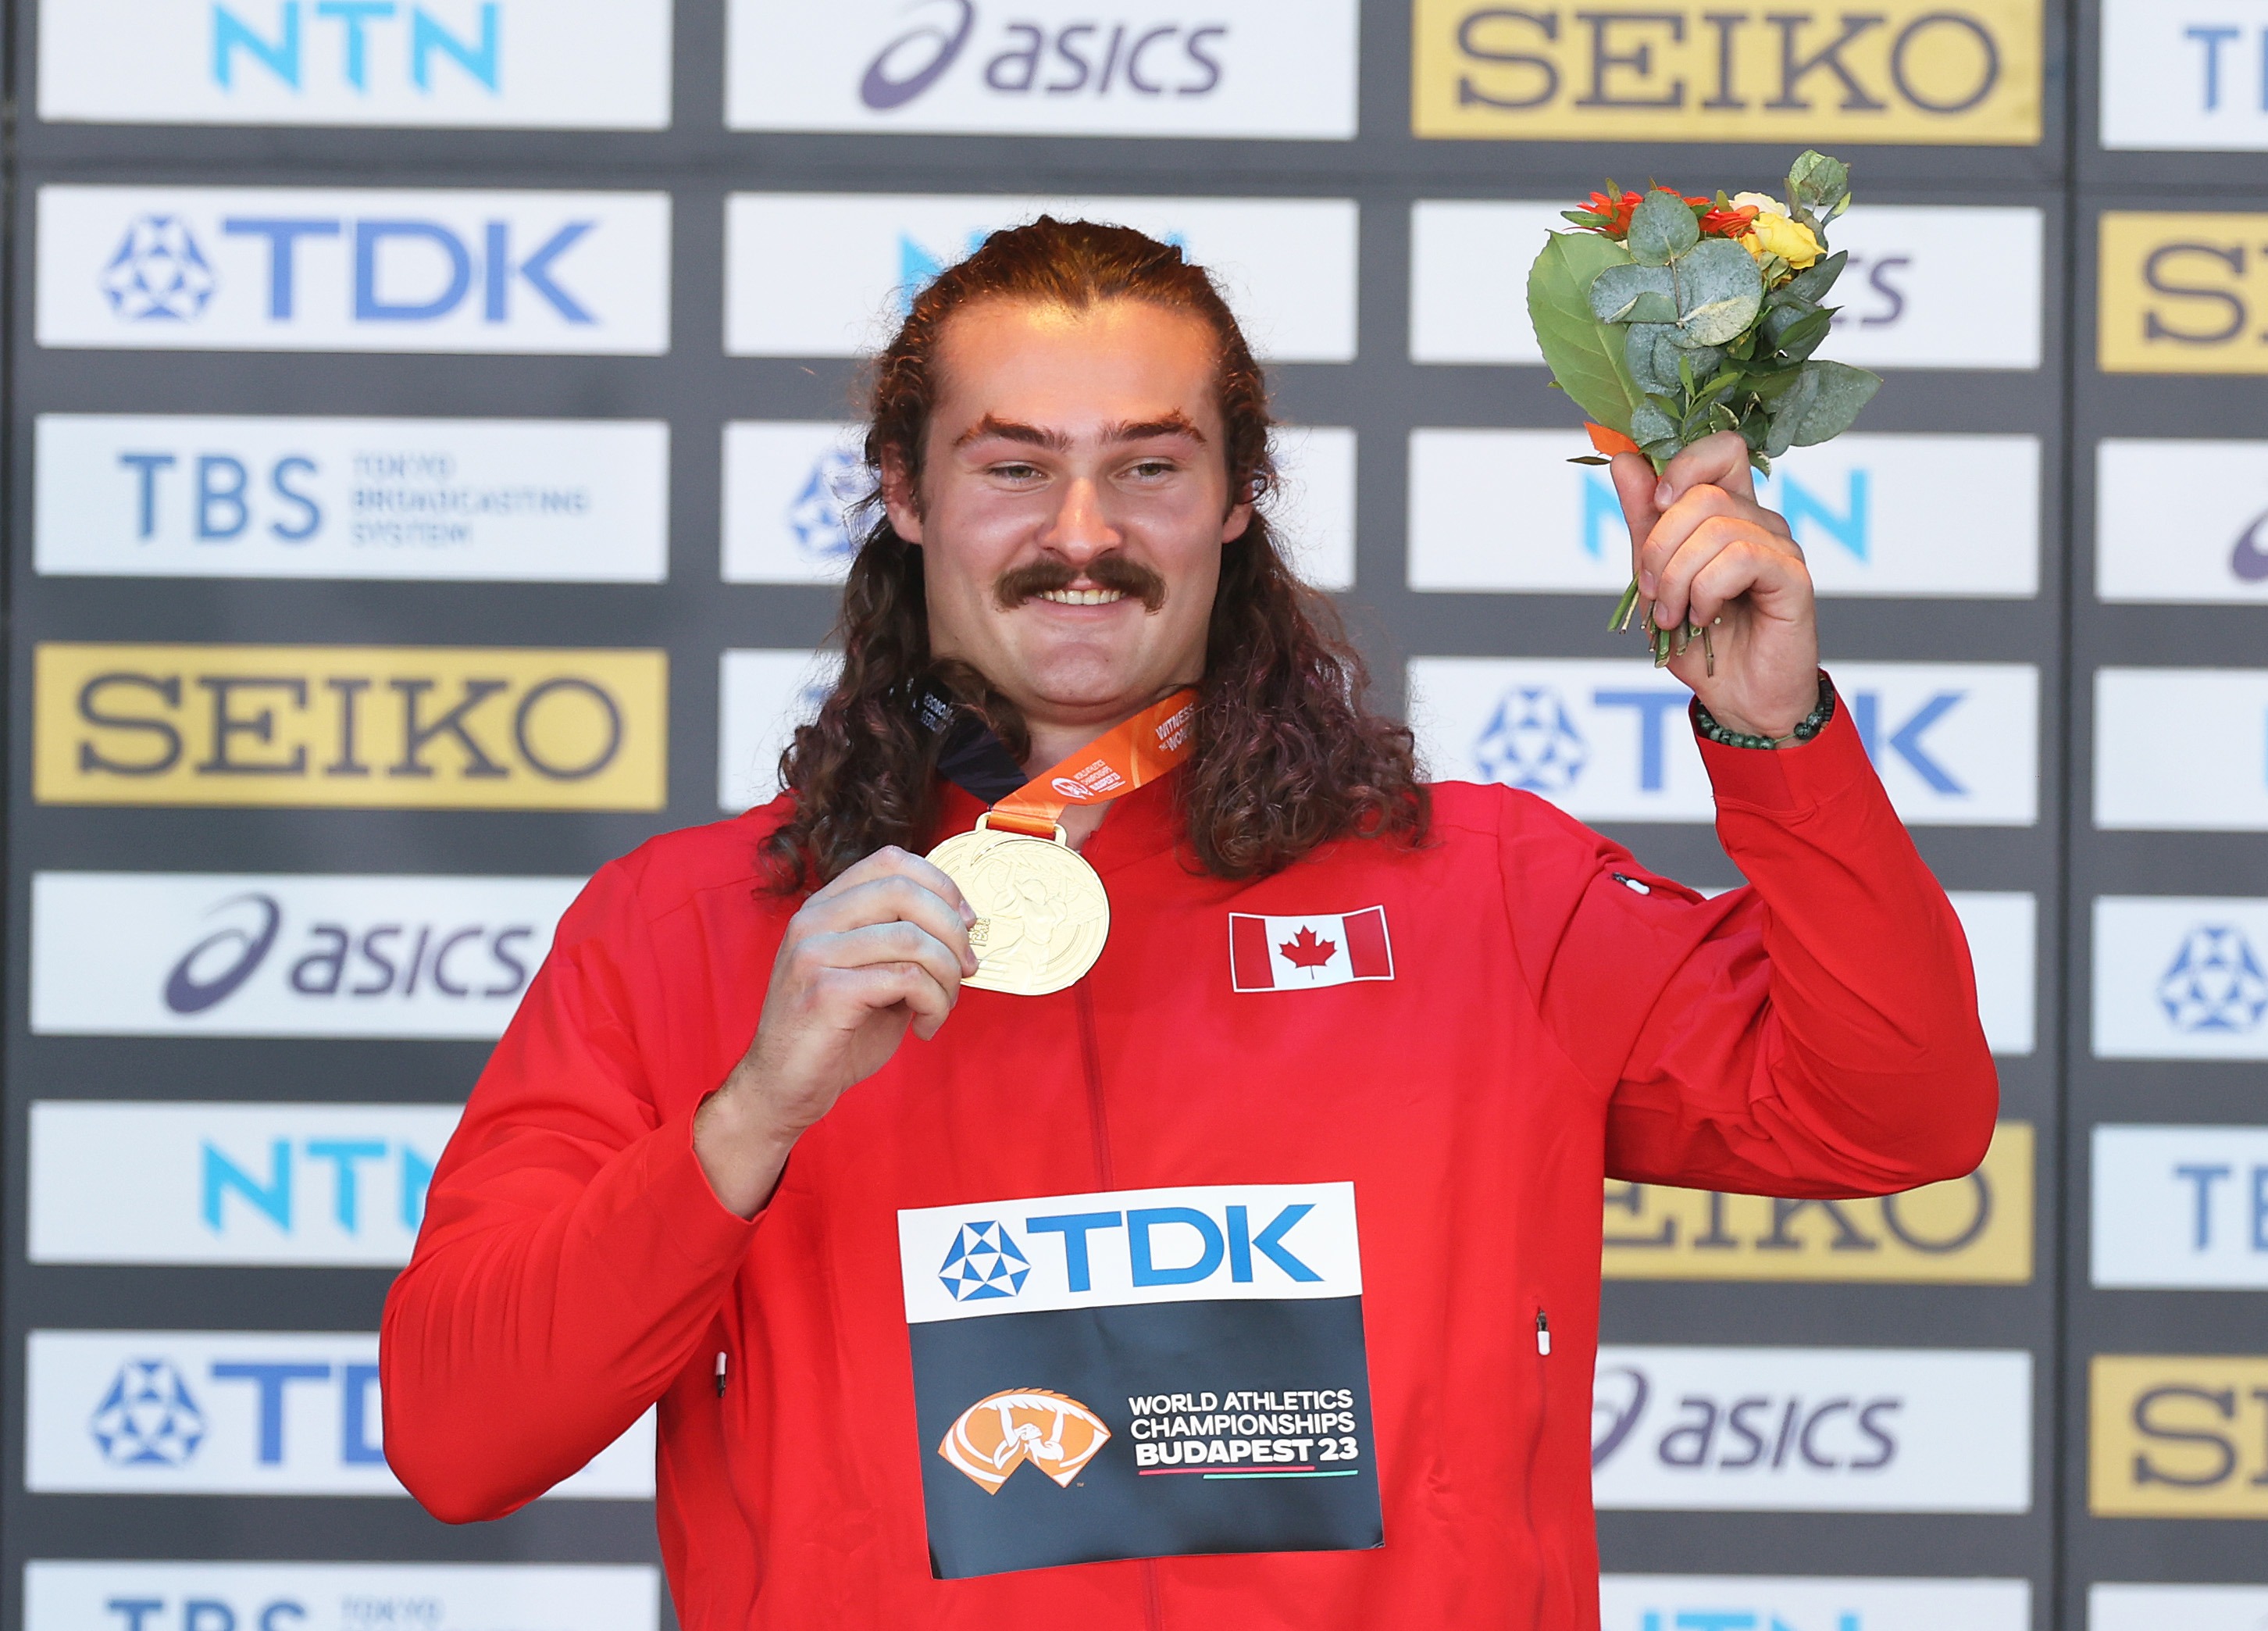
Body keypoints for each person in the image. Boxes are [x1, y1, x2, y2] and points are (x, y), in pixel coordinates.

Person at [380, 218, 1996, 1629]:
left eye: (1149, 466)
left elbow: (1895, 1114)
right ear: (907, 494)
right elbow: (459, 1441)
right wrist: (753, 1117)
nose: (1082, 531)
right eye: (1014, 466)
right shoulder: (688, 936)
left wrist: (1777, 742)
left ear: (1236, 503)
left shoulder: (1484, 897)